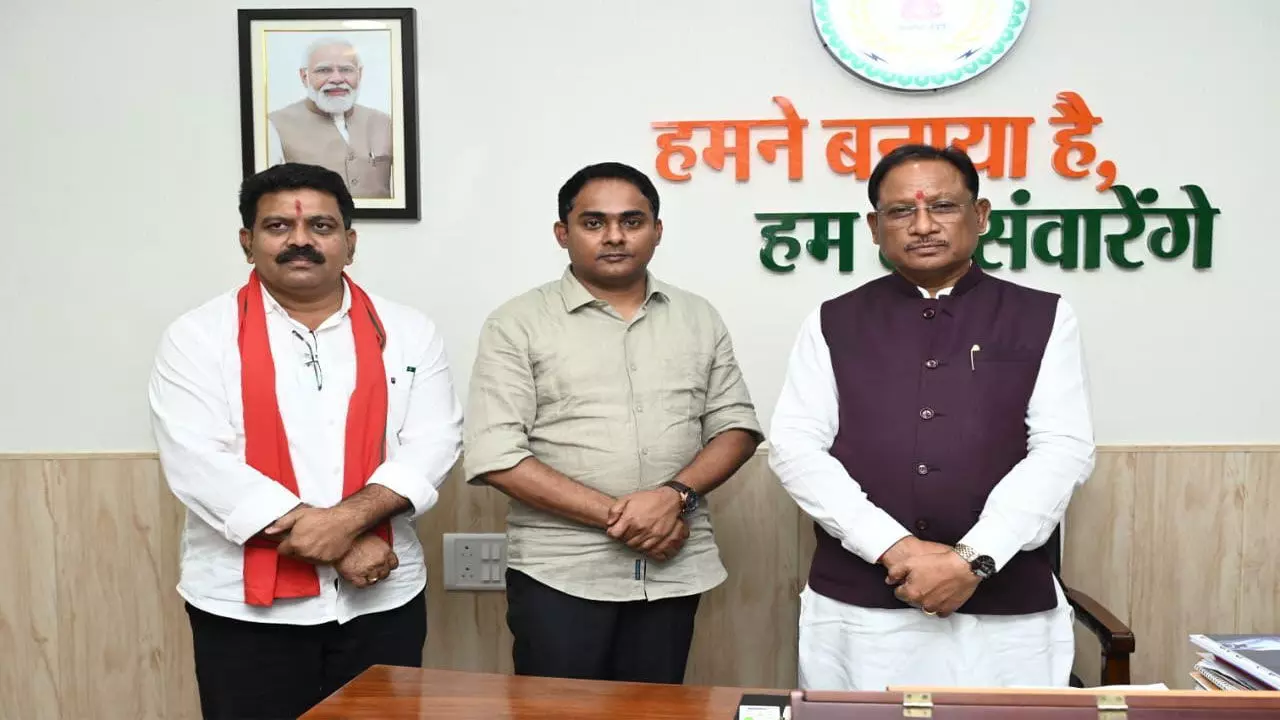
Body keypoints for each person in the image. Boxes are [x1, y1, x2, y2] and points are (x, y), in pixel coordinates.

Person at [769, 144, 1095, 690]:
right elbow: (795, 449)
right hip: (863, 609)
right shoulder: (832, 321)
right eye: (901, 211)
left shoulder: (1044, 315)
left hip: (1004, 609)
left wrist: (972, 560)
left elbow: (1064, 449)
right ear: (874, 227)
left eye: (942, 206)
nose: (922, 226)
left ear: (980, 215)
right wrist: (893, 548)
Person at [148, 162, 461, 718]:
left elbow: (433, 443)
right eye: (278, 227)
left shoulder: (409, 332)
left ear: (349, 243)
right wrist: (344, 541)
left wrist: (343, 523)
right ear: (247, 242)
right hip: (243, 609)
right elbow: (199, 462)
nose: (300, 240)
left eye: (321, 226)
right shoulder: (196, 336)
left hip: (381, 596)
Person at [462, 161, 763, 684]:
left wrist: (672, 497)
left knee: (656, 713)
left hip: (674, 569)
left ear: (657, 230)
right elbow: (497, 456)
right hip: (560, 574)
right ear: (563, 233)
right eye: (594, 222)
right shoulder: (516, 323)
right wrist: (633, 519)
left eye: (632, 221)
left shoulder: (698, 316)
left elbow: (736, 427)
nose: (615, 236)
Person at [268, 37, 393, 199]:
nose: (337, 79)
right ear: (304, 76)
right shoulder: (274, 126)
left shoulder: (386, 123)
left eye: (346, 69)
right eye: (324, 70)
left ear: (359, 74)